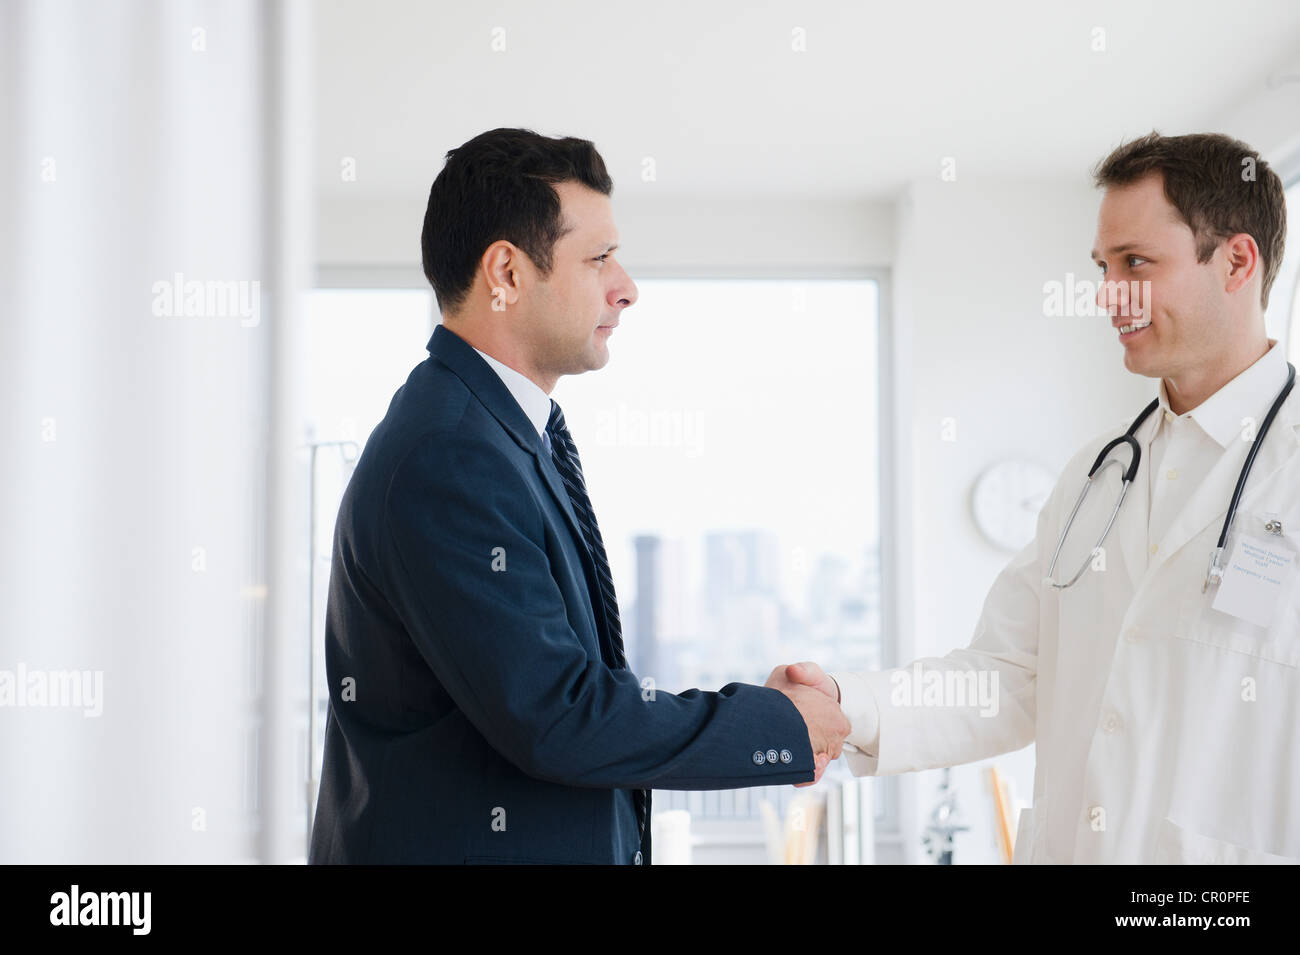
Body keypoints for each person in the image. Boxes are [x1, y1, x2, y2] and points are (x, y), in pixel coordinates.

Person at [308, 127, 848, 865]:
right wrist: (774, 724)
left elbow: (568, 697)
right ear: (506, 271)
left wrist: (768, 719)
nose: (626, 287)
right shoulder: (450, 454)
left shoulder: (499, 436)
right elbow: (560, 715)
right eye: (598, 259)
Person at [773, 131, 1299, 864]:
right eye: (1103, 266)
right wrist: (843, 700)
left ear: (1238, 261)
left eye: (1136, 263)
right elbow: (1007, 676)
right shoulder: (1099, 473)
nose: (1108, 294)